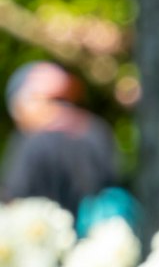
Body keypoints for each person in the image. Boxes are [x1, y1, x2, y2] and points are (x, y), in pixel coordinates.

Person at [3, 62, 126, 229]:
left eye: (65, 101)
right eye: (55, 101)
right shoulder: (95, 129)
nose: (62, 110)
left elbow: (14, 199)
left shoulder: (35, 143)